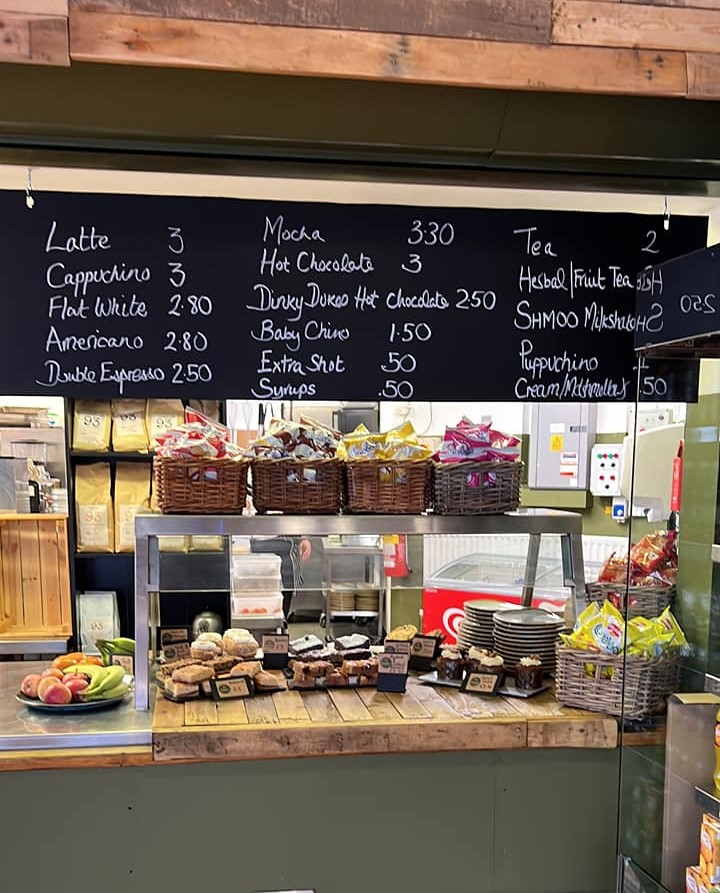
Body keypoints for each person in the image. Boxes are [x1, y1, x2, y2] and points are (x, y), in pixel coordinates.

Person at [249, 535, 312, 617]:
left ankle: (281, 623)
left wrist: (304, 537)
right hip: (254, 547)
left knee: (282, 606)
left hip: (285, 549)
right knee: (252, 598)